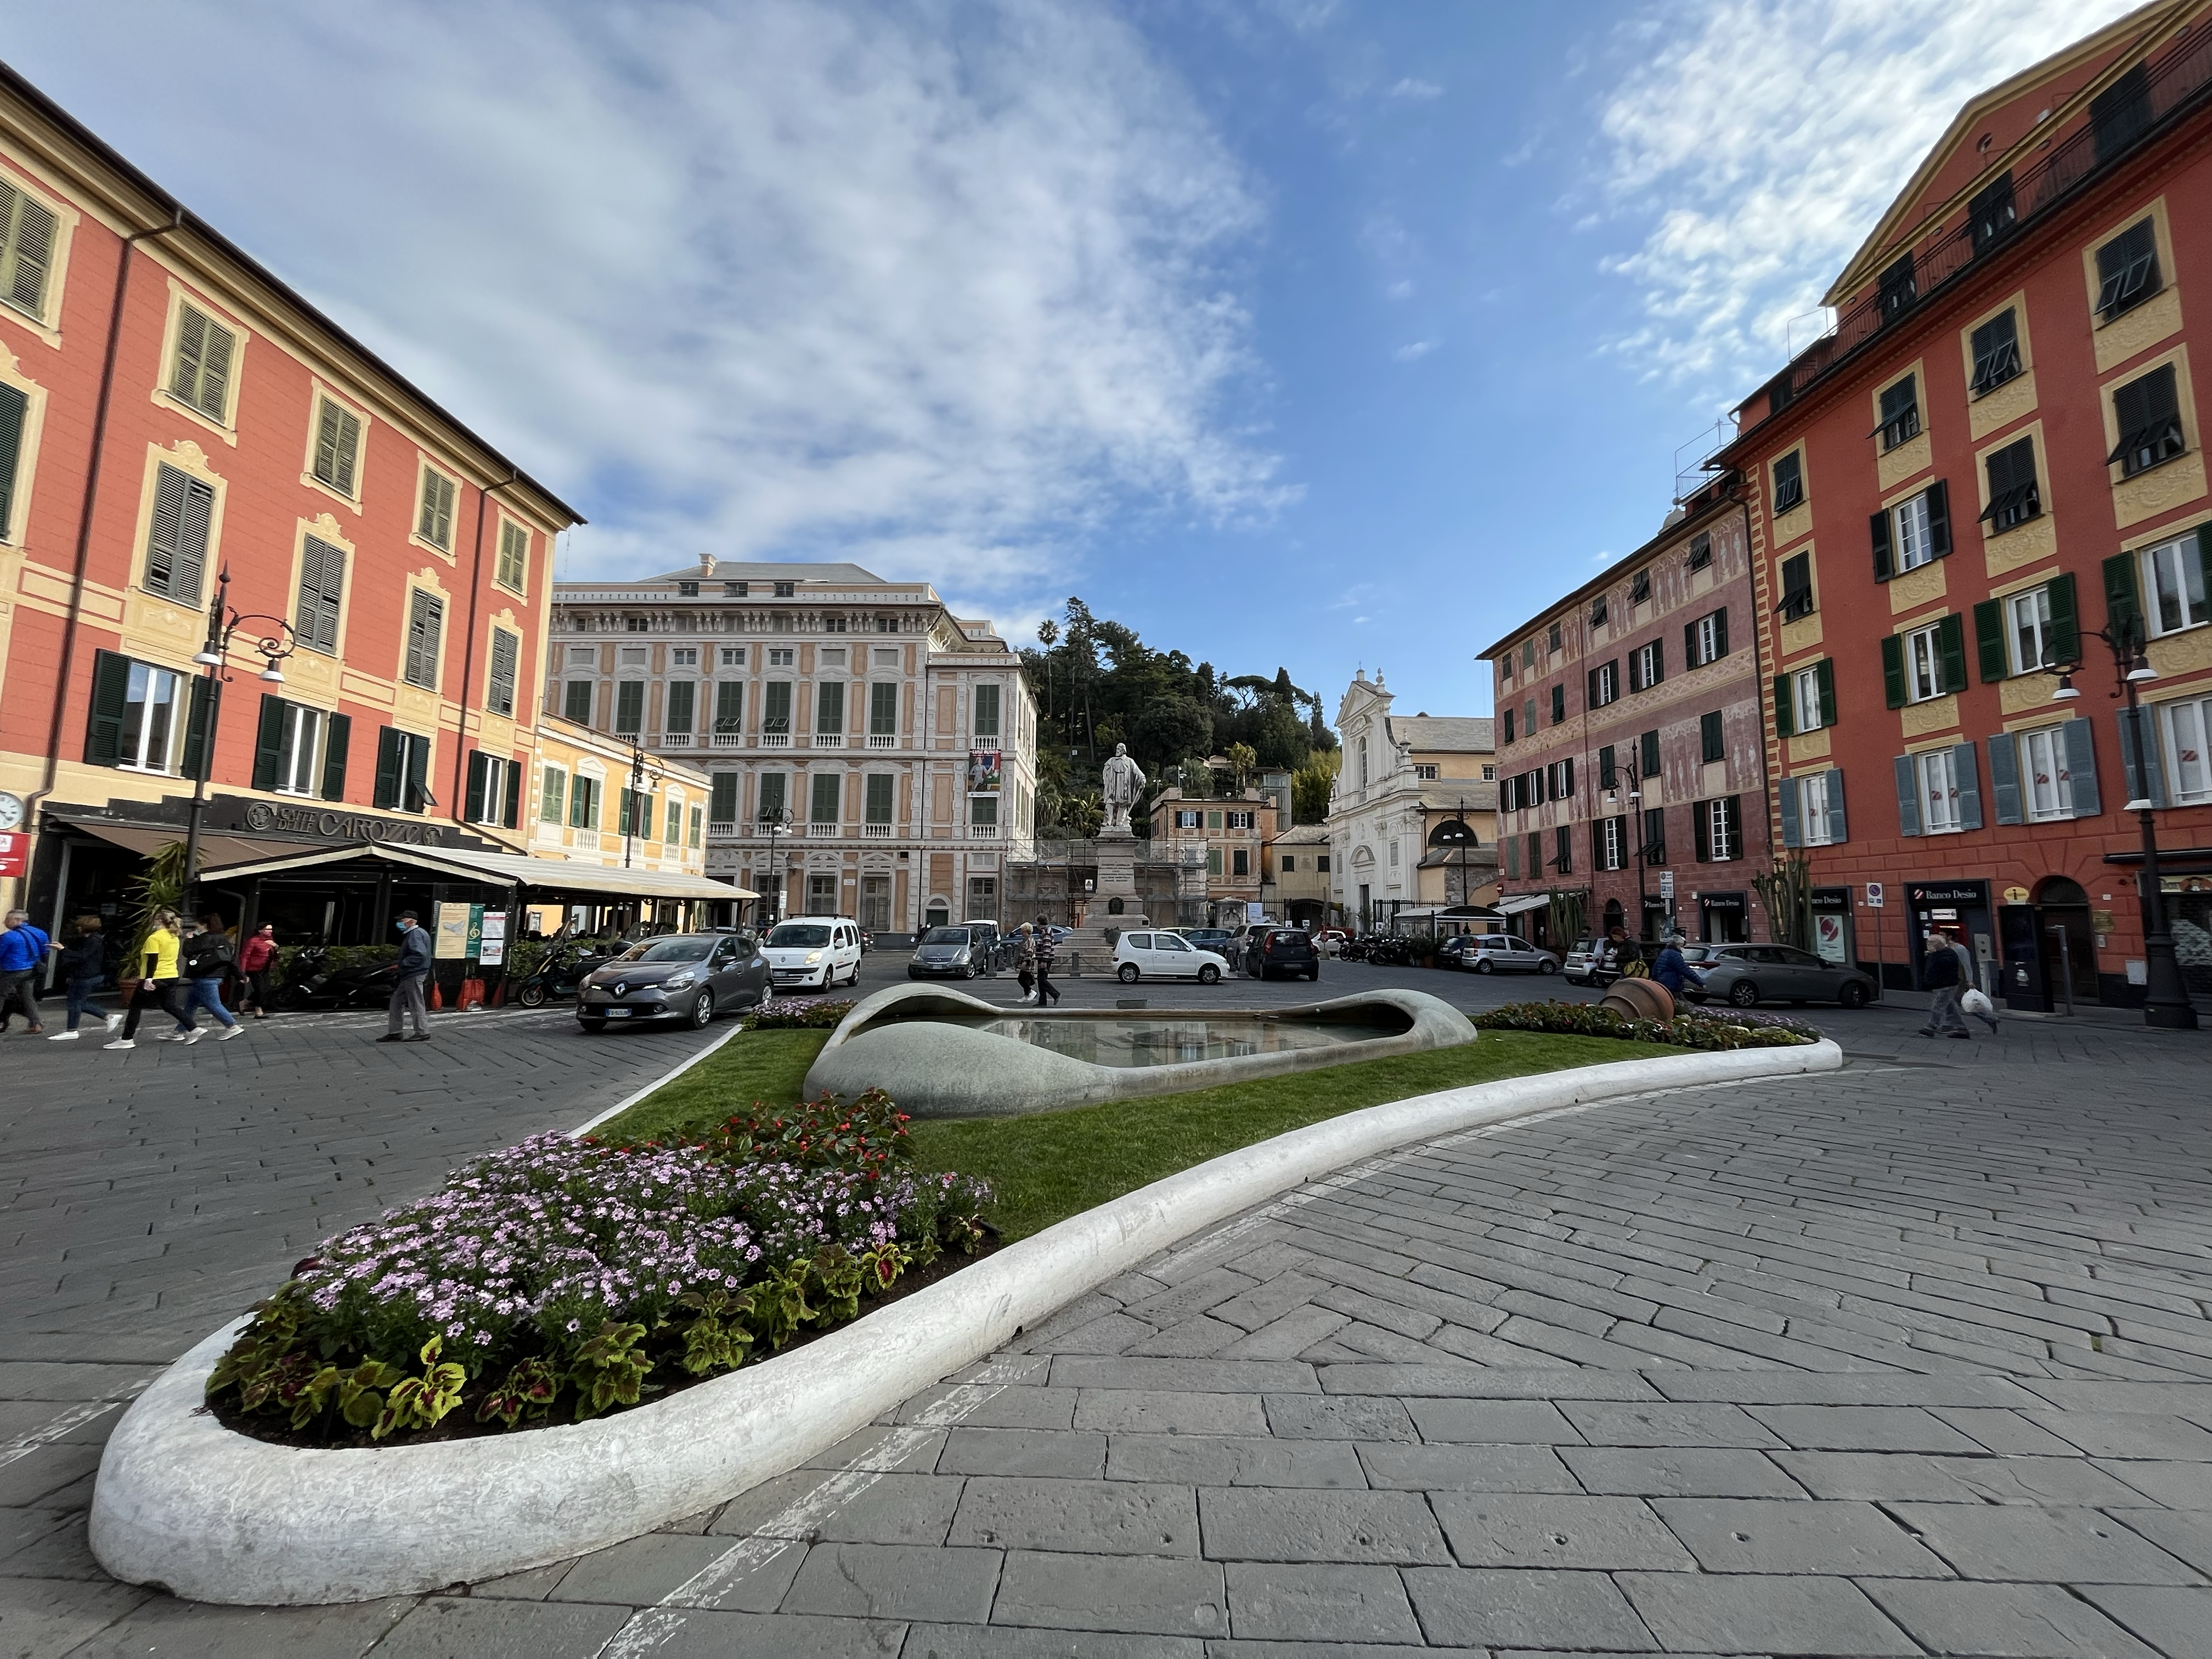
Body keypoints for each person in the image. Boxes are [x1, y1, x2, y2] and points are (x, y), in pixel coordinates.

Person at [106, 910, 188, 1049]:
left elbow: (152, 960)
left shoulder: (155, 938)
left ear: (158, 922)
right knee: (169, 1005)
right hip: (171, 974)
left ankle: (127, 1038)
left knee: (135, 1007)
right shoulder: (174, 936)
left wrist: (148, 979)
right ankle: (193, 1027)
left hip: (155, 976)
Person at [48, 915, 119, 1040]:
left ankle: (73, 1029)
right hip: (85, 975)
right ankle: (105, 1017)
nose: (78, 928)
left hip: (86, 975)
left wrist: (63, 950)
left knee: (75, 1003)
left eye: (79, 926)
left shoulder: (93, 941)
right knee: (76, 1002)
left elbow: (82, 956)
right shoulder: (91, 940)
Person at [178, 915, 242, 1042]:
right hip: (216, 975)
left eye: (198, 926)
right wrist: (240, 975)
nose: (197, 928)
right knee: (191, 1005)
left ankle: (232, 1026)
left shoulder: (204, 939)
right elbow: (231, 960)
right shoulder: (223, 939)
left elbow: (188, 952)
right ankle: (179, 1031)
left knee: (213, 1004)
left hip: (204, 976)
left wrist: (189, 939)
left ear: (204, 926)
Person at [379, 911, 434, 1042]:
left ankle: (422, 1032)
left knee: (415, 1002)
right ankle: (395, 1032)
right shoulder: (418, 933)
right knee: (397, 1001)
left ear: (412, 921)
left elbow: (419, 954)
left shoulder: (415, 934)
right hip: (412, 973)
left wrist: (402, 964)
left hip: (414, 973)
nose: (400, 923)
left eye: (403, 920)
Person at [0, 907, 51, 1034]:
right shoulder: (40, 933)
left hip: (12, 969)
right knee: (27, 996)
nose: (4, 922)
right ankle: (36, 1024)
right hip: (31, 970)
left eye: (7, 919)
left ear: (18, 920)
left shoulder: (8, 937)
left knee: (1, 995)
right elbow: (45, 951)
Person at [1918, 928, 1970, 1039]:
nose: (1928, 946)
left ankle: (1931, 1027)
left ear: (1936, 945)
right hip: (1943, 984)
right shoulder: (1943, 954)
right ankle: (1961, 1029)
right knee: (1950, 1007)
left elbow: (1935, 971)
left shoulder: (1944, 955)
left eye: (1930, 943)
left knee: (1937, 1006)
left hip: (1945, 985)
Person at [238, 923, 278, 1018]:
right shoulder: (253, 941)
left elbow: (275, 955)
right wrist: (242, 972)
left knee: (265, 989)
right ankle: (258, 1011)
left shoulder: (271, 940)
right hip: (253, 969)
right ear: (260, 931)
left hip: (265, 968)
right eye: (267, 929)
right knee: (260, 989)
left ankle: (245, 1003)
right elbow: (245, 956)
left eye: (271, 929)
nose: (270, 931)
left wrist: (275, 947)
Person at [1651, 933, 1703, 1001]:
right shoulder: (1674, 955)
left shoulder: (1665, 952)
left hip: (1662, 983)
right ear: (1678, 944)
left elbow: (1656, 968)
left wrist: (1655, 979)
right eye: (1683, 944)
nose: (1684, 946)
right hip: (1671, 984)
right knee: (1682, 1004)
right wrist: (1700, 983)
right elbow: (1686, 970)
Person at [1030, 912, 1060, 1008]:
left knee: (1042, 980)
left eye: (1037, 922)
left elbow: (1047, 947)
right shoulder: (1045, 931)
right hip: (1043, 959)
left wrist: (1044, 961)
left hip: (1045, 960)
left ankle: (1055, 994)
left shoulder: (1046, 932)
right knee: (1040, 980)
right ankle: (1042, 1001)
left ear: (1039, 923)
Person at [1015, 922, 1037, 1005]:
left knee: (1021, 979)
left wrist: (1025, 962)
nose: (1021, 933)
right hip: (1025, 964)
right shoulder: (1027, 940)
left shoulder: (1029, 941)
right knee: (1024, 979)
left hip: (1027, 964)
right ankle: (1027, 995)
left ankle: (1031, 992)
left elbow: (1029, 952)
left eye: (1022, 931)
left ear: (1026, 931)